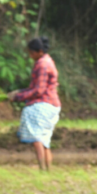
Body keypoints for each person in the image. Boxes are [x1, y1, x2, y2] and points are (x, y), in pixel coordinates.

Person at [7, 37, 61, 171]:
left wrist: (19, 97)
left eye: (31, 53)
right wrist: (19, 91)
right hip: (53, 104)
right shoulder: (48, 61)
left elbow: (39, 90)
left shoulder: (42, 65)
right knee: (45, 140)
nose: (30, 56)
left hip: (43, 104)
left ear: (39, 51)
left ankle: (42, 167)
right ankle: (48, 169)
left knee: (37, 137)